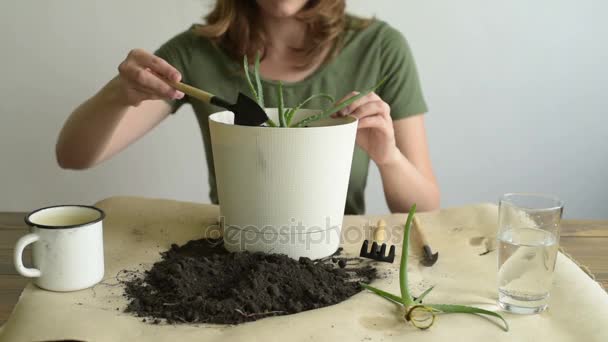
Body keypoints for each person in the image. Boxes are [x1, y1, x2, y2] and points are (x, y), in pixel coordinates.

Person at [55, 0, 440, 214]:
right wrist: (119, 94)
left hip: (340, 256)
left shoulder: (380, 48)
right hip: (235, 255)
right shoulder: (195, 53)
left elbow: (425, 209)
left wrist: (389, 159)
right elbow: (74, 156)